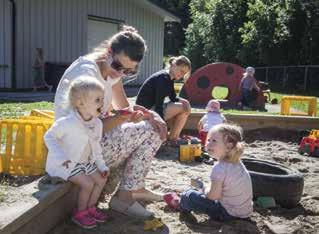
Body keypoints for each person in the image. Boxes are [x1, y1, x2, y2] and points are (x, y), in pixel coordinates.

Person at [54, 25, 167, 219]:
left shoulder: (110, 69)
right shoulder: (87, 75)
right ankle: (125, 196)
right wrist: (121, 118)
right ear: (109, 52)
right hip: (76, 147)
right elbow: (86, 128)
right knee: (151, 132)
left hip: (90, 140)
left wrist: (149, 114)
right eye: (118, 66)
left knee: (151, 126)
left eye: (129, 71)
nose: (120, 73)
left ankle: (134, 188)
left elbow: (122, 107)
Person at [44, 77, 109, 229]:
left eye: (103, 99)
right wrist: (60, 157)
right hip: (67, 163)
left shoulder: (97, 123)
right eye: (97, 99)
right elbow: (49, 136)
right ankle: (80, 213)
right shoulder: (67, 123)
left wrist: (102, 165)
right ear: (80, 103)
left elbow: (96, 146)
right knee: (88, 184)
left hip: (85, 162)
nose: (102, 103)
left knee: (101, 179)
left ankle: (90, 208)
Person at [179, 123, 253, 221]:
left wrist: (203, 188)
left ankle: (183, 207)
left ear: (229, 146)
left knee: (188, 195)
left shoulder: (219, 168)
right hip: (245, 212)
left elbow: (213, 196)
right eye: (208, 140)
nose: (209, 144)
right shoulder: (237, 163)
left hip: (227, 213)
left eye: (214, 141)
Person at [136, 55, 192, 144]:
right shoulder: (162, 78)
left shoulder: (169, 78)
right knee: (183, 108)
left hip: (150, 109)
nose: (181, 75)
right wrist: (162, 127)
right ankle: (172, 139)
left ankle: (173, 138)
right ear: (174, 65)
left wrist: (184, 101)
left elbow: (173, 98)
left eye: (184, 73)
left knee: (185, 106)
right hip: (144, 114)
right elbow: (159, 105)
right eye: (181, 71)